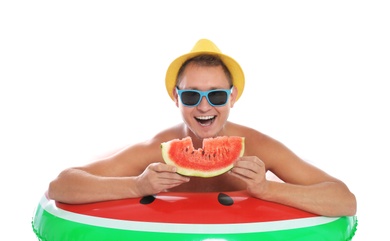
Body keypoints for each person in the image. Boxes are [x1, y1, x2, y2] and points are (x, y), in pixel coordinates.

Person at [48, 39, 356, 217]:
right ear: (176, 98)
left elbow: (344, 199)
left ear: (232, 97)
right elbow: (60, 185)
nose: (204, 106)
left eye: (217, 95)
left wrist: (267, 188)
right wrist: (137, 186)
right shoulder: (157, 149)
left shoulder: (260, 146)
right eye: (192, 95)